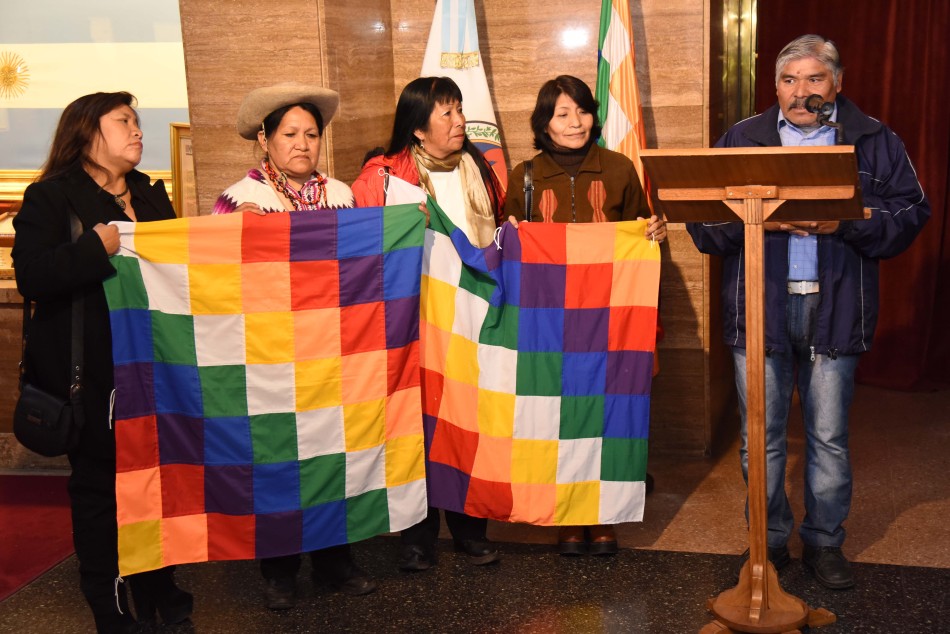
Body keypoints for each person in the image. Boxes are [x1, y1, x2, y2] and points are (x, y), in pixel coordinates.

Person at [686, 34, 929, 590]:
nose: (800, 91)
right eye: (789, 80)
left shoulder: (873, 139)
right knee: (760, 438)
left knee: (828, 437)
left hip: (835, 309)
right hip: (760, 309)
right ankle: (767, 541)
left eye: (814, 79)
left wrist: (847, 221)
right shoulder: (743, 139)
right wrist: (756, 219)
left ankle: (824, 542)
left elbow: (912, 212)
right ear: (775, 87)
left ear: (836, 84)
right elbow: (701, 220)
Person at [12, 92, 192, 632]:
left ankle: (158, 585)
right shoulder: (51, 196)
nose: (138, 130)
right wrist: (95, 248)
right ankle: (108, 605)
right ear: (88, 132)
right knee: (100, 494)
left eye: (137, 121)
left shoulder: (149, 193)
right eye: (124, 121)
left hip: (155, 369)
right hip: (89, 378)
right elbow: (32, 277)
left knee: (155, 484)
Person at [214, 82, 377, 609]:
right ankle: (279, 571)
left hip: (334, 350)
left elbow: (364, 265)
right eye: (290, 134)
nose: (303, 144)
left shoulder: (342, 195)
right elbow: (215, 279)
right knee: (279, 461)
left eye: (311, 134)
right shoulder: (241, 199)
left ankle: (335, 563)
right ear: (265, 140)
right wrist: (239, 235)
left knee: (333, 455)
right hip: (271, 354)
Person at [504, 75, 667, 556]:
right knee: (557, 416)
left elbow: (642, 235)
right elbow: (507, 246)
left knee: (608, 414)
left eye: (582, 110)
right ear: (544, 123)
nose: (575, 122)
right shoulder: (524, 175)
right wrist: (509, 234)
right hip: (549, 322)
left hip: (609, 318)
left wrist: (654, 234)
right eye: (562, 114)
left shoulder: (619, 169)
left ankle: (603, 516)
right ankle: (568, 517)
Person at [352, 76, 505, 571]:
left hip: (469, 320)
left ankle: (470, 528)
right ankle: (417, 536)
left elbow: (501, 236)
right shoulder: (382, 178)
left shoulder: (480, 169)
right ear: (418, 128)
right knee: (416, 428)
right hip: (413, 325)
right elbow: (360, 245)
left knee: (467, 421)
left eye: (459, 109)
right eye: (447, 113)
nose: (460, 121)